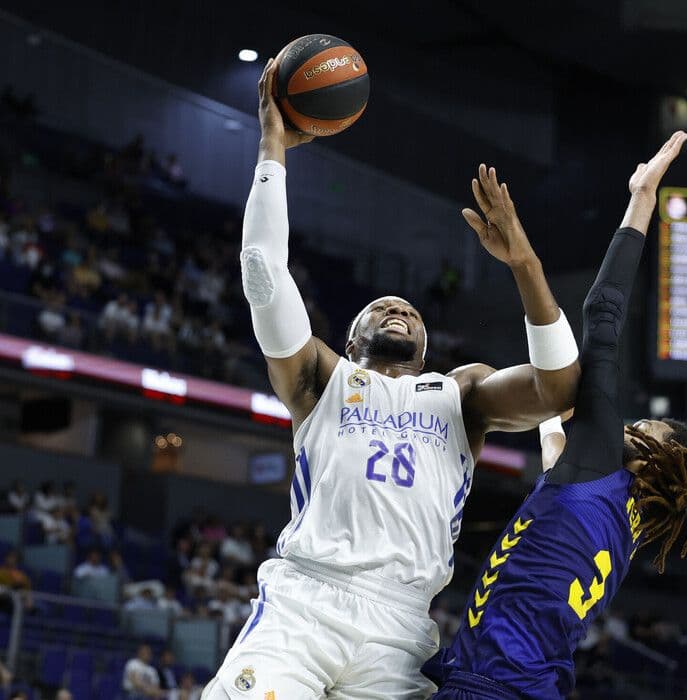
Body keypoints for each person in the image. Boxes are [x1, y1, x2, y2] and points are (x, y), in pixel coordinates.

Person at [203, 59, 580, 699]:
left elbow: (560, 390)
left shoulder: (461, 394)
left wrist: (525, 264)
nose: (397, 307)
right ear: (351, 339)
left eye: (409, 310)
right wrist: (272, 144)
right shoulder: (322, 378)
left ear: (428, 348)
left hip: (401, 631)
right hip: (304, 604)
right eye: (379, 307)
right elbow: (263, 273)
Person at [424, 133, 687, 699]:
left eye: (644, 431)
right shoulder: (620, 525)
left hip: (491, 686)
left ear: (656, 460)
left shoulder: (602, 471)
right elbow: (554, 454)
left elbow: (603, 313)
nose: (628, 426)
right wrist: (552, 406)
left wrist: (642, 197)